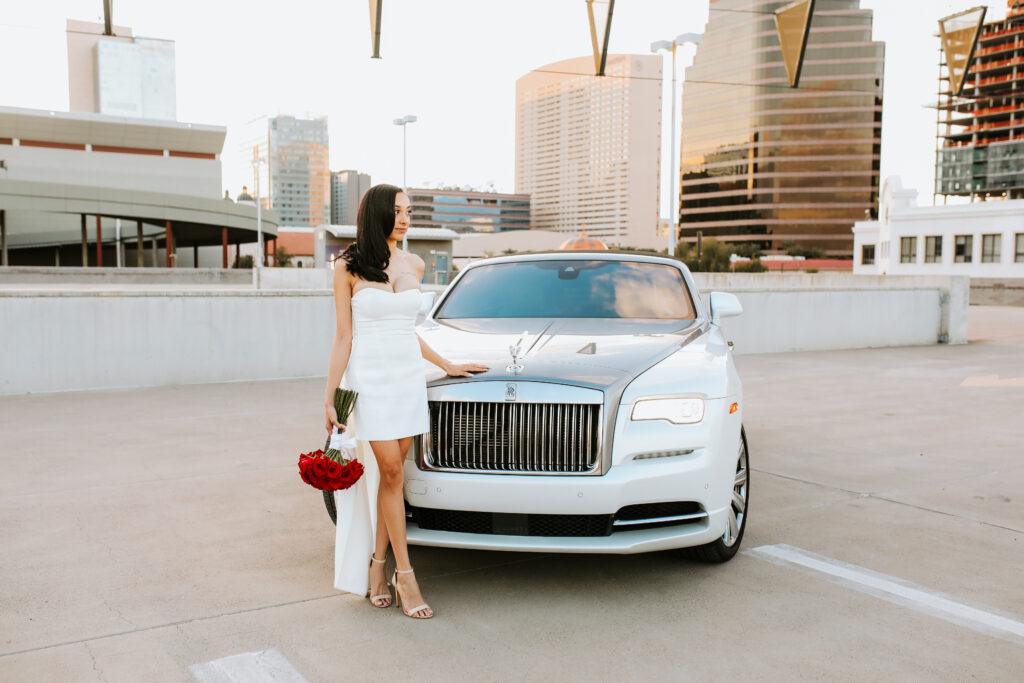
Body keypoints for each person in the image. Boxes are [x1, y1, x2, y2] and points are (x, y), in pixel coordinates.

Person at [323, 184, 487, 619]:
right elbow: (344, 336)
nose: (405, 218)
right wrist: (330, 398)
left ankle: (379, 566)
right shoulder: (348, 266)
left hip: (408, 380)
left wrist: (447, 365)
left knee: (391, 482)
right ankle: (406, 576)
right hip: (370, 380)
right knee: (392, 471)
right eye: (396, 211)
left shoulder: (413, 261)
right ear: (377, 213)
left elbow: (405, 329)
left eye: (409, 211)